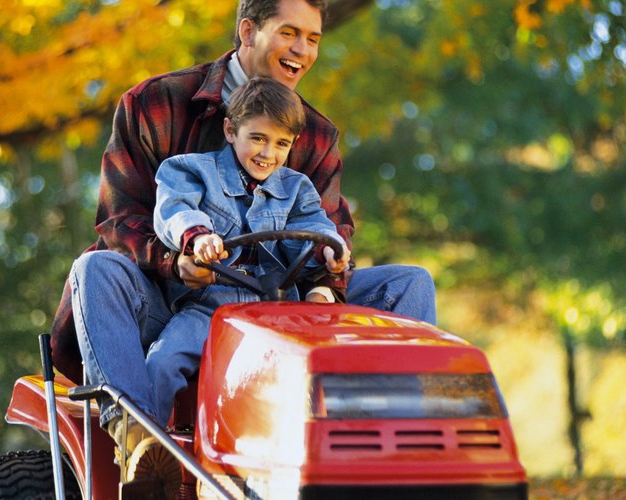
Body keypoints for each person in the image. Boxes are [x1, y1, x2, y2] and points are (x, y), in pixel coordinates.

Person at [52, 0, 436, 479]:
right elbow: (120, 221)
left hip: (279, 298)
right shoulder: (155, 104)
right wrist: (181, 262)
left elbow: (328, 230)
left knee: (409, 284)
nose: (302, 50)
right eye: (289, 32)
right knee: (95, 268)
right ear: (248, 30)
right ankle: (142, 445)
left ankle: (385, 446)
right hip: (177, 299)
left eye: (313, 38)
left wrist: (326, 282)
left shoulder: (313, 134)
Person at [149, 77, 350, 445]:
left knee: (324, 367)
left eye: (281, 144)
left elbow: (315, 226)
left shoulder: (296, 188)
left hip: (275, 309)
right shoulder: (191, 170)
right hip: (210, 309)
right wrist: (198, 237)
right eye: (258, 138)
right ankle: (148, 453)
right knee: (162, 361)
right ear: (230, 130)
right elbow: (174, 209)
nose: (267, 153)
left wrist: (329, 250)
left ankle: (327, 453)